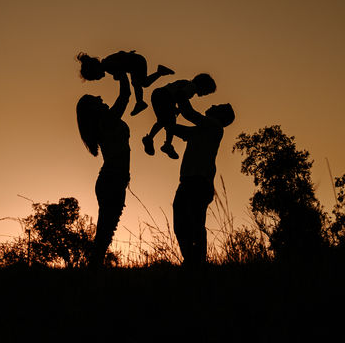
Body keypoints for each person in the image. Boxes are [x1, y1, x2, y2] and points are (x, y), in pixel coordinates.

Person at [76, 72, 132, 268]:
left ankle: (94, 267)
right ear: (92, 109)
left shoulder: (104, 122)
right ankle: (93, 268)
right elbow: (125, 96)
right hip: (112, 180)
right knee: (106, 229)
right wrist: (123, 73)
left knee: (107, 229)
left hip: (114, 179)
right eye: (95, 100)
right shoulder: (106, 121)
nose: (100, 98)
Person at [170, 103, 235, 267]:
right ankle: (192, 261)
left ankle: (196, 263)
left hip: (198, 182)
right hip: (191, 182)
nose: (213, 104)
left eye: (218, 106)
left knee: (192, 224)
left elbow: (188, 112)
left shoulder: (214, 125)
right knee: (184, 224)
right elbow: (177, 129)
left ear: (221, 115)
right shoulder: (203, 129)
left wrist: (180, 96)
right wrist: (167, 120)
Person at [141, 74, 216, 160]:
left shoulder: (187, 84)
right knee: (170, 122)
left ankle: (151, 139)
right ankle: (167, 144)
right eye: (206, 92)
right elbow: (180, 95)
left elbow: (178, 96)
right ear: (202, 85)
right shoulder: (192, 87)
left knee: (163, 121)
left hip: (159, 95)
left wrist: (177, 109)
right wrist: (180, 109)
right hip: (164, 96)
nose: (205, 94)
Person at [77, 50, 174, 116]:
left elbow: (121, 69)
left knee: (138, 83)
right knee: (143, 83)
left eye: (95, 77)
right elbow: (120, 56)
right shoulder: (107, 63)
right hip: (136, 62)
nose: (98, 79)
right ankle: (160, 72)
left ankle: (140, 102)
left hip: (136, 63)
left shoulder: (108, 65)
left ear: (95, 69)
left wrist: (118, 75)